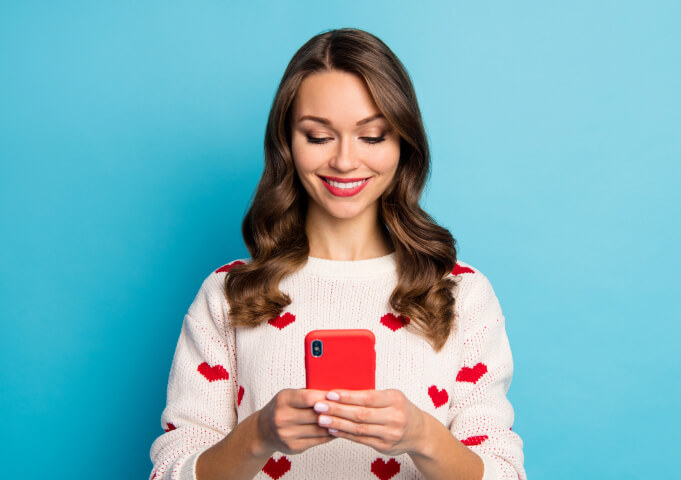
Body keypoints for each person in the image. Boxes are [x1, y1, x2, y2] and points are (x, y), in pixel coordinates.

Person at [149, 28, 525, 480]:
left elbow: (506, 474)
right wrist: (259, 435)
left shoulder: (461, 294)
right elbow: (170, 471)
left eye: (372, 137)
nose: (345, 162)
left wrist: (424, 437)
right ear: (286, 143)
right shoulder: (229, 295)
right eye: (318, 136)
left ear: (403, 144)